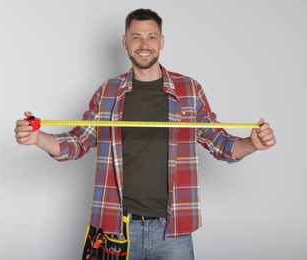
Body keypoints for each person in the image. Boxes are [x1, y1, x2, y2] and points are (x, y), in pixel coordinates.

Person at [14, 8, 276, 260]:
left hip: (174, 231)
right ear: (125, 42)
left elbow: (220, 143)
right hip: (118, 228)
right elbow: (78, 141)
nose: (144, 44)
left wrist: (251, 144)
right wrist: (38, 138)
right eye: (136, 36)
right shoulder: (109, 91)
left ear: (161, 42)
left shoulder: (188, 89)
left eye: (151, 36)